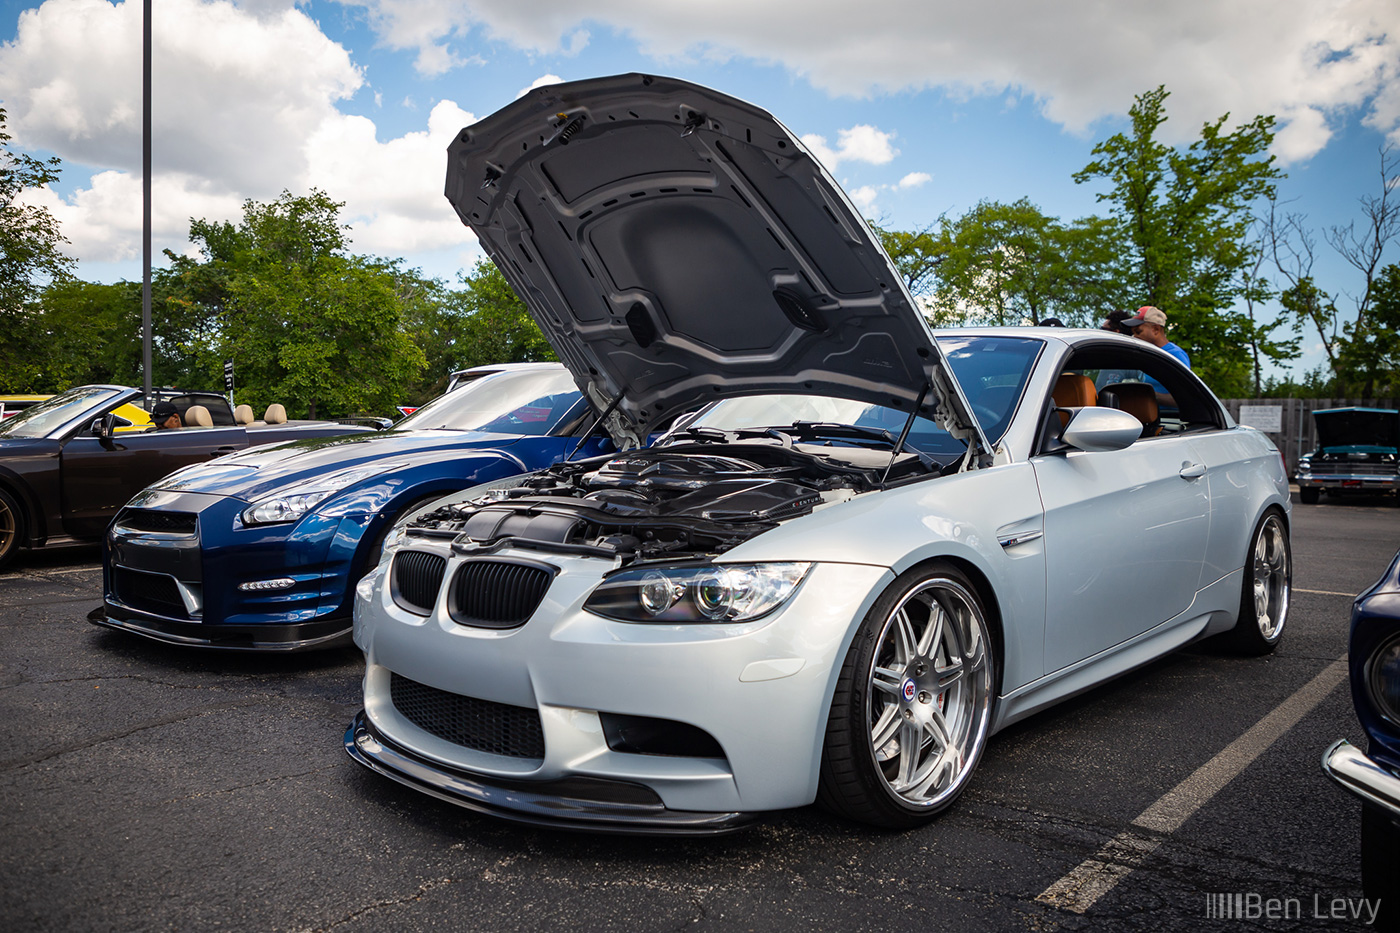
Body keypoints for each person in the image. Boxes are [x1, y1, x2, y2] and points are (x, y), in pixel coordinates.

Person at [1120, 305, 1190, 369]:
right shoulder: (1144, 353)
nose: (1134, 337)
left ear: (1156, 329)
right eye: (1133, 333)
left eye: (1138, 332)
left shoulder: (1175, 356)